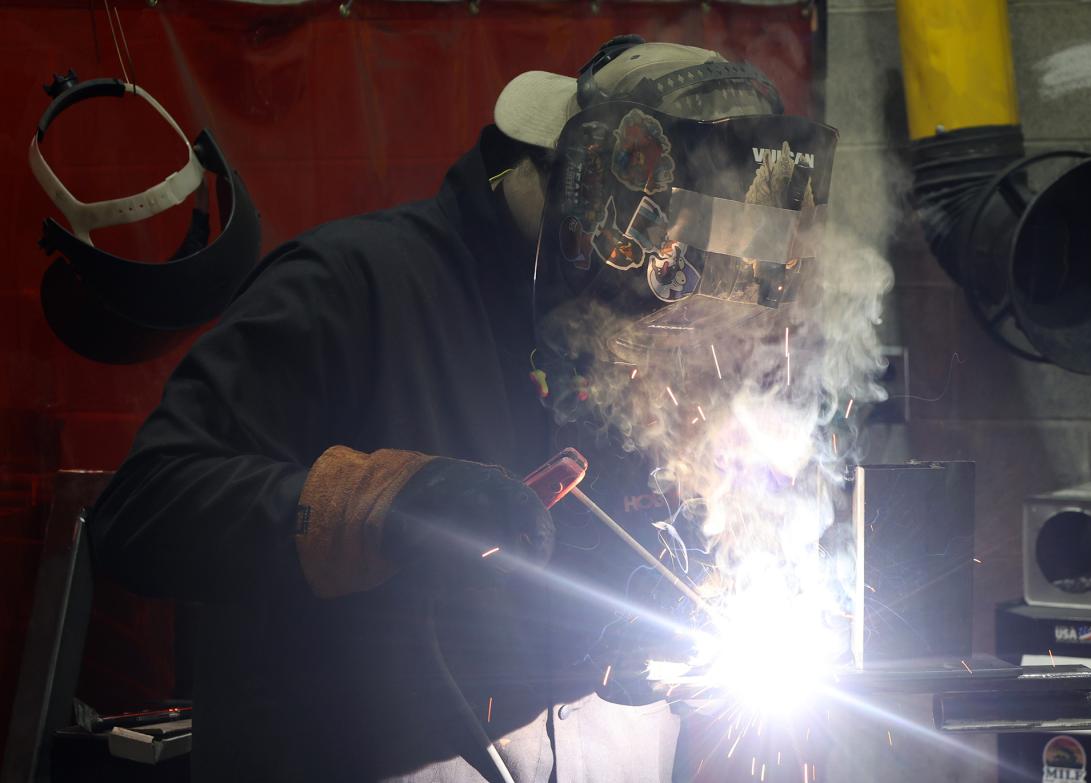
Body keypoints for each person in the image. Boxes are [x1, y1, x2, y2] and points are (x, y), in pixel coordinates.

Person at [91, 37, 799, 782]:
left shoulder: (665, 332)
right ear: (584, 191)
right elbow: (142, 509)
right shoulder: (354, 285)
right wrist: (380, 504)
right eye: (662, 261)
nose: (675, 300)